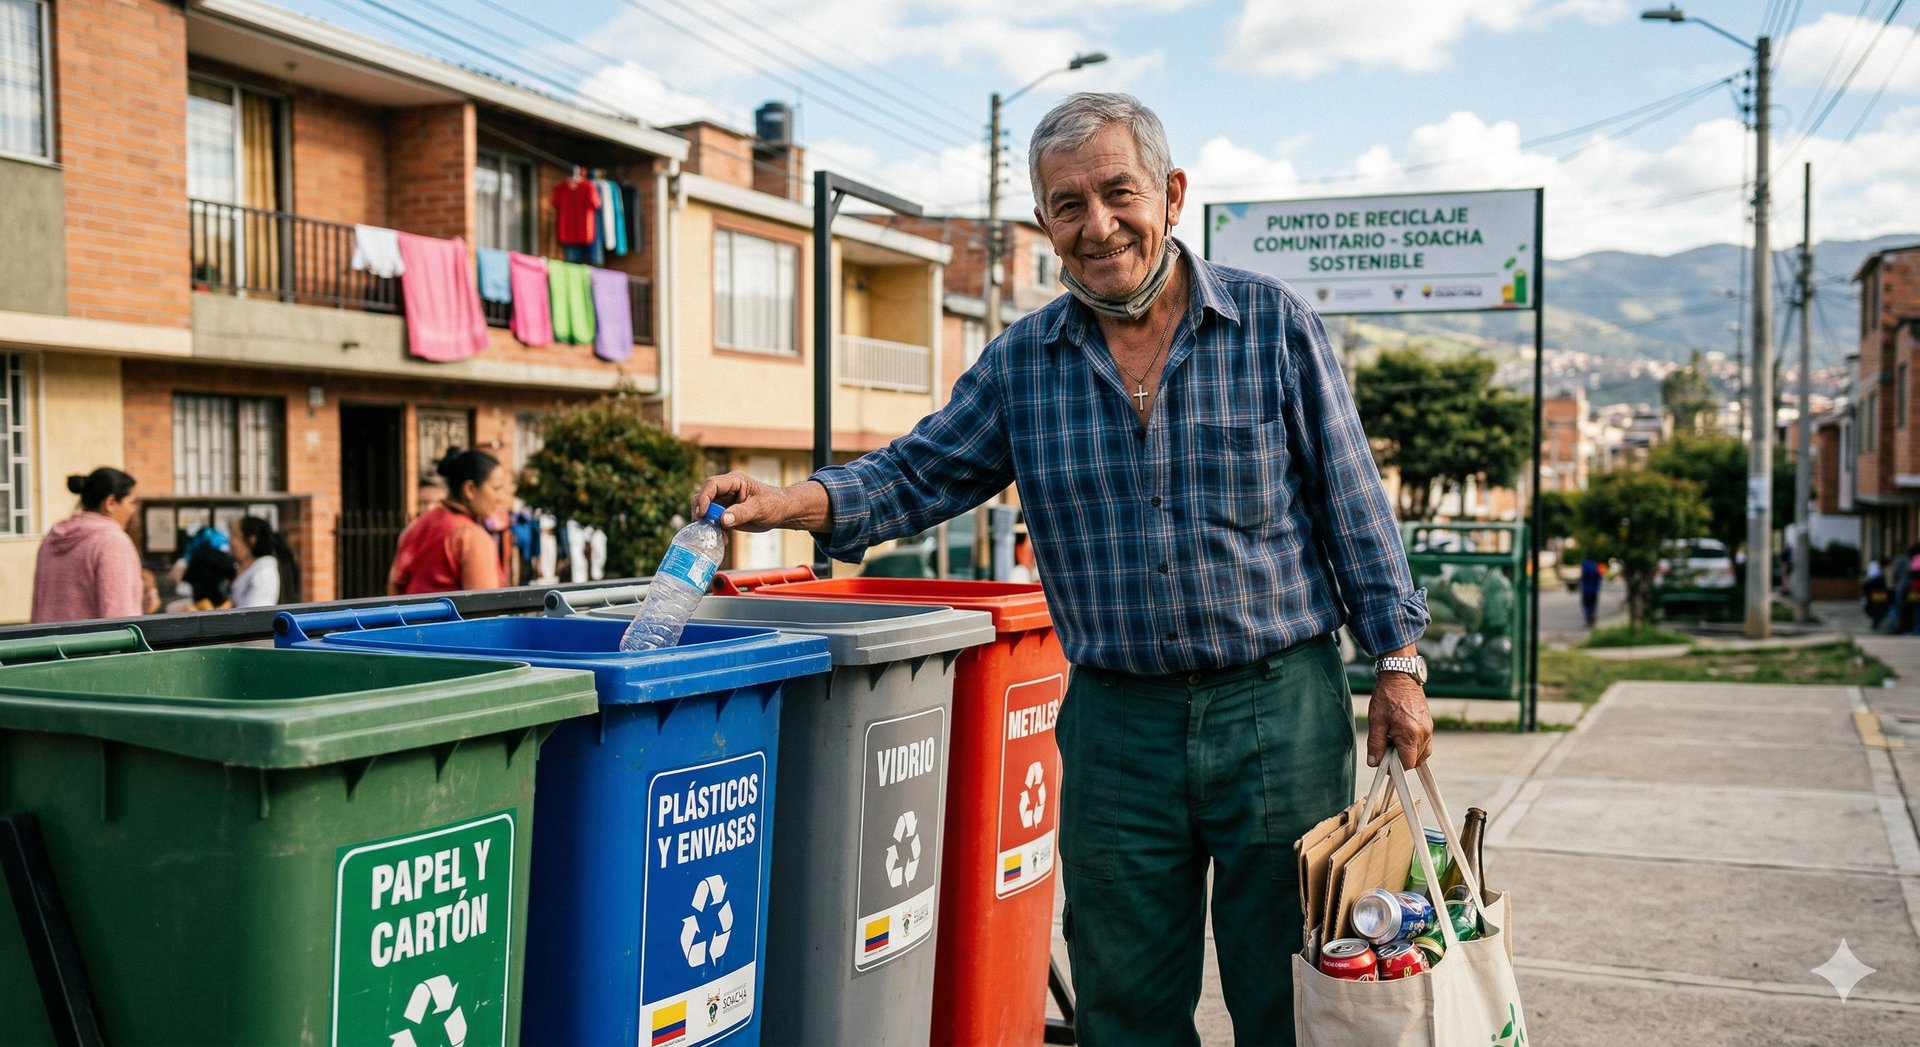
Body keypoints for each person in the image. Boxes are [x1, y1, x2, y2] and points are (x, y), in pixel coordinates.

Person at [692, 93, 1431, 1045]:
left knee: (1291, 988)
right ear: (1044, 224)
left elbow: (1353, 501)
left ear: (1169, 194)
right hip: (1118, 721)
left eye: (1118, 192)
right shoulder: (1022, 363)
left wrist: (1398, 666)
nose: (1098, 224)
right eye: (1068, 204)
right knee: (1124, 1004)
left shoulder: (1273, 327)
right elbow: (916, 473)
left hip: (1278, 709)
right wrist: (791, 503)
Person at [388, 448, 514, 594]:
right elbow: (484, 608)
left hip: (411, 616)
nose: (500, 497)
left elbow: (395, 586)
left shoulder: (416, 527)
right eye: (496, 488)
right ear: (470, 489)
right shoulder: (472, 537)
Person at [31, 468, 143, 623]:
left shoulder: (51, 539)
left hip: (44, 644)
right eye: (131, 503)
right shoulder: (112, 541)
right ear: (110, 503)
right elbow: (120, 620)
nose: (133, 511)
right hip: (92, 646)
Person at [230, 516, 300, 608]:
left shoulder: (264, 572)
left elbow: (255, 613)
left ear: (251, 540)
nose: (231, 542)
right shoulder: (244, 567)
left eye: (235, 536)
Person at [1863, 556, 1890, 630]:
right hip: (1875, 590)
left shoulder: (1874, 566)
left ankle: (1876, 621)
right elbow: (1875, 580)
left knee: (1876, 607)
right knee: (1878, 607)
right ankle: (1876, 621)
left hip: (1873, 589)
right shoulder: (1875, 568)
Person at [1580, 555, 1606, 628]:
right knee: (1593, 604)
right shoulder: (1597, 565)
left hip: (1586, 589)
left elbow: (1583, 576)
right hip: (1595, 589)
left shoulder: (1584, 565)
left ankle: (1588, 619)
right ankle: (1592, 616)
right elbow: (1600, 576)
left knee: (1586, 604)